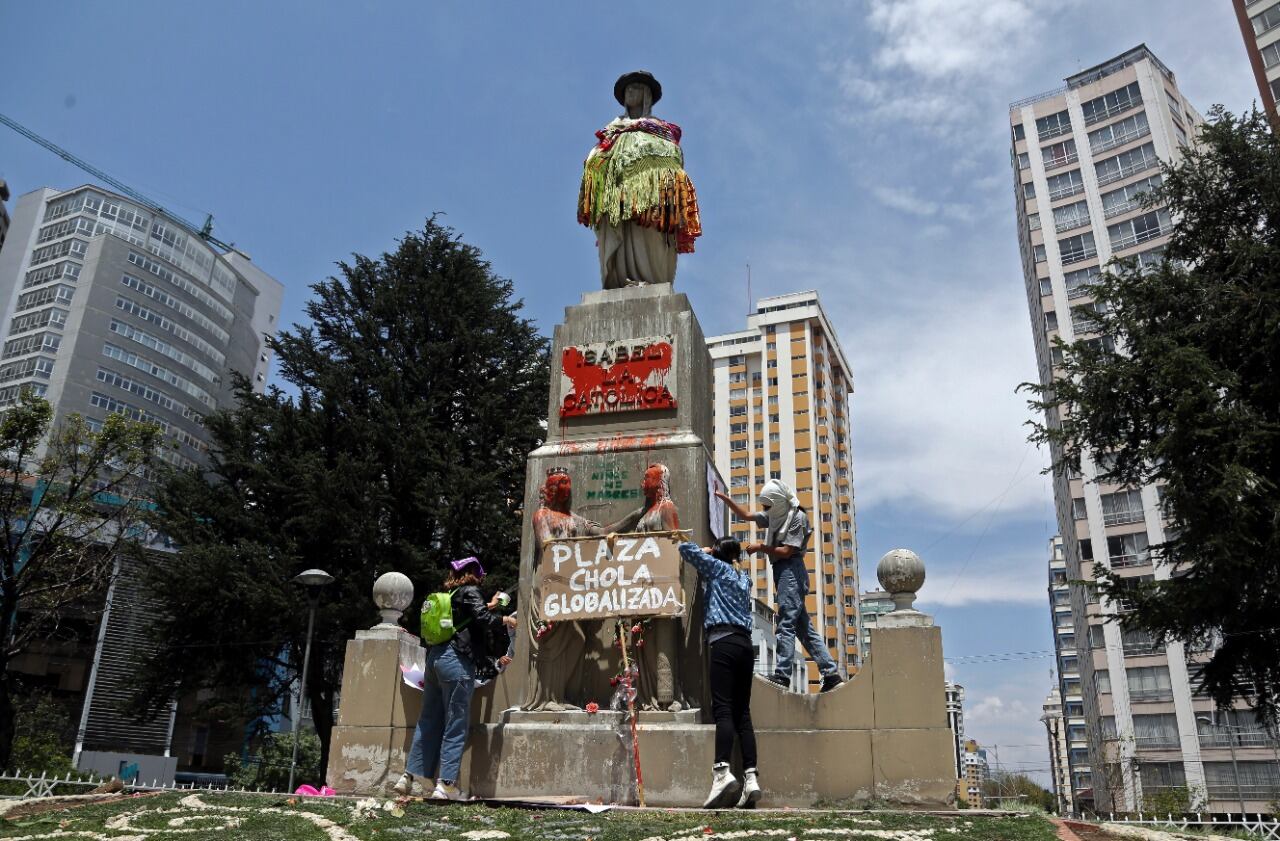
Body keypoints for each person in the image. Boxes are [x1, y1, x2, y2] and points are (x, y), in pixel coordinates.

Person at [395, 557, 517, 799]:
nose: (482, 578)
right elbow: (482, 619)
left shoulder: (450, 595)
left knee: (428, 719)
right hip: (456, 662)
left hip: (435, 660)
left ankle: (407, 777)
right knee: (456, 723)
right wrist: (507, 619)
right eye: (480, 574)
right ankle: (446, 785)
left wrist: (491, 605)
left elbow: (469, 616)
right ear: (474, 574)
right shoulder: (471, 591)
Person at [715, 480, 843, 693]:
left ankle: (782, 675)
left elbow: (786, 551)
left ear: (777, 503)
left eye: (768, 506)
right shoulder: (776, 515)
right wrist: (725, 498)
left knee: (786, 624)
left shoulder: (797, 518)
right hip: (783, 572)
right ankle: (831, 674)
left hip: (791, 570)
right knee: (804, 628)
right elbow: (746, 515)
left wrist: (761, 547)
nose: (765, 510)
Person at [578, 70, 702, 288]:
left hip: (650, 199)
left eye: (635, 88)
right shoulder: (612, 130)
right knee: (623, 233)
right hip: (618, 197)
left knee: (647, 235)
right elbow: (596, 159)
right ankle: (621, 278)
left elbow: (674, 158)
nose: (629, 92)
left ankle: (650, 279)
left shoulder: (661, 130)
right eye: (627, 89)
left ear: (646, 94)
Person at [678, 538, 762, 809]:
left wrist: (706, 551)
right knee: (742, 713)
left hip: (723, 642)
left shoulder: (717, 568)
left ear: (717, 553)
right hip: (745, 645)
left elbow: (685, 548)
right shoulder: (744, 578)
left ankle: (722, 772)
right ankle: (751, 778)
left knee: (723, 709)